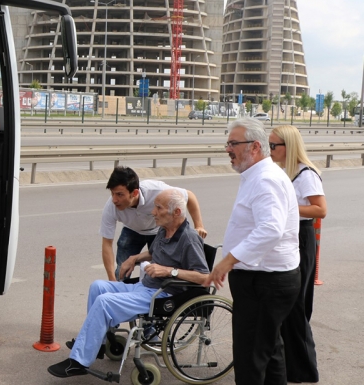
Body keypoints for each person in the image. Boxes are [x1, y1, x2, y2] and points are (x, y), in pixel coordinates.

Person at [48, 189, 209, 378]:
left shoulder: (188, 239)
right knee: (98, 287)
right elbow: (154, 252)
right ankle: (96, 345)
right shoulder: (165, 230)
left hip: (162, 295)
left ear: (177, 213)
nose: (153, 212)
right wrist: (134, 258)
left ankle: (78, 362)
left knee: (105, 302)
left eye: (158, 208)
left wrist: (168, 271)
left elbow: (204, 277)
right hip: (145, 287)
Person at [204, 117, 301, 385]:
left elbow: (271, 229)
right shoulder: (256, 175)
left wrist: (228, 261)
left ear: (255, 147)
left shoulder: (265, 179)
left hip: (265, 281)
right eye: (227, 143)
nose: (227, 149)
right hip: (263, 279)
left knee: (250, 357)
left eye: (233, 143)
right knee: (268, 351)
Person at [270, 125, 325, 383]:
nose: (270, 151)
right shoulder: (287, 172)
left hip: (302, 239)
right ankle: (288, 365)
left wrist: (289, 208)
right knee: (288, 306)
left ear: (288, 146)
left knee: (296, 305)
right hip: (290, 238)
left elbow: (320, 209)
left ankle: (304, 369)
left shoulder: (306, 174)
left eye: (273, 146)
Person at [99, 167, 207, 281]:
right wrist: (112, 280)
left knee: (158, 270)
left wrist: (199, 225)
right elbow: (107, 243)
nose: (114, 200)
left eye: (120, 194)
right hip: (132, 230)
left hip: (158, 231)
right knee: (121, 271)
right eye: (112, 194)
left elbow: (189, 196)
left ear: (135, 192)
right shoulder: (111, 207)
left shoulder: (157, 191)